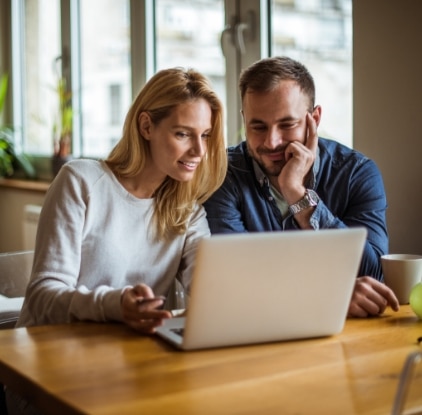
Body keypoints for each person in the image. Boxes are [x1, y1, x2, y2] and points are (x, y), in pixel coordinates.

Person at [16, 67, 227, 333]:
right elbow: (42, 297)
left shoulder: (188, 212)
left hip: (126, 354)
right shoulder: (80, 182)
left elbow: (208, 290)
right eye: (183, 134)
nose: (199, 150)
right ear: (146, 126)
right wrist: (115, 305)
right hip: (50, 351)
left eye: (205, 135)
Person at [203, 56, 399, 318]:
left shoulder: (357, 173)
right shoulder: (223, 173)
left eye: (287, 124)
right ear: (244, 119)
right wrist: (331, 294)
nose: (272, 142)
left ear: (314, 118)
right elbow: (232, 280)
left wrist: (297, 193)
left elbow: (374, 275)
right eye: (258, 126)